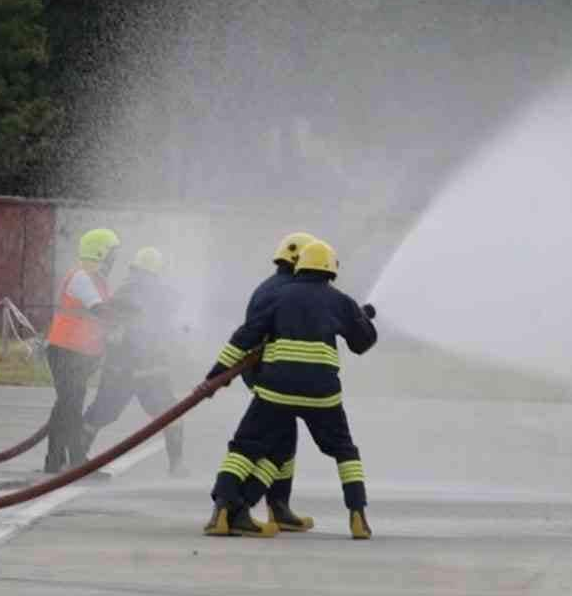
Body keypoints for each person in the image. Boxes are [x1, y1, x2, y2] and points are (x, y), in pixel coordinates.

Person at [202, 239, 378, 539]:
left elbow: (245, 336)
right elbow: (362, 344)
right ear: (331, 269)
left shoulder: (278, 295)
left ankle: (223, 511)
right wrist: (361, 321)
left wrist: (216, 376)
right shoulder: (340, 301)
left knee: (246, 447)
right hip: (322, 395)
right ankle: (358, 515)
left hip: (276, 390)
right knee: (344, 451)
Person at [213, 231, 318, 533]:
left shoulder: (275, 287)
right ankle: (231, 508)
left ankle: (278, 507)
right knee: (262, 443)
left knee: (284, 441)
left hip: (269, 373)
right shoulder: (285, 291)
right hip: (270, 375)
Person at [79, 246, 187, 476]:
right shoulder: (163, 295)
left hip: (124, 369)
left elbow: (109, 328)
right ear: (157, 272)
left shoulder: (122, 293)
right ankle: (176, 465)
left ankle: (76, 458)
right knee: (170, 413)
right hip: (143, 369)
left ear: (135, 269)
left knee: (101, 413)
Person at [44, 227, 120, 473]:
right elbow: (99, 310)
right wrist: (128, 321)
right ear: (99, 252)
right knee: (71, 406)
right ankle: (76, 462)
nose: (114, 260)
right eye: (112, 254)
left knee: (66, 405)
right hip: (65, 351)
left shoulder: (98, 279)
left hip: (79, 354)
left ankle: (55, 461)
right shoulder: (81, 277)